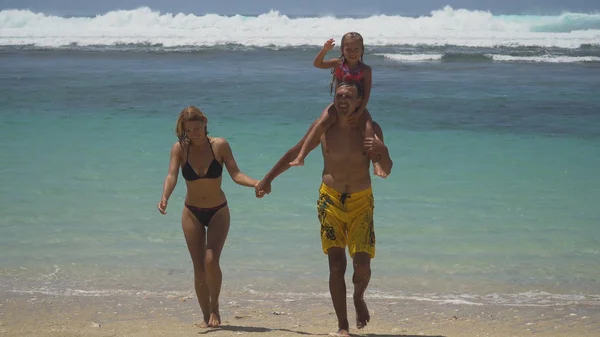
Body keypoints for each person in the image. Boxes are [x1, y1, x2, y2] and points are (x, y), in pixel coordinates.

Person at [256, 82, 393, 337]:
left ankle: (359, 297)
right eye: (339, 95)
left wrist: (382, 150)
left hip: (361, 201)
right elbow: (296, 152)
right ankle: (342, 325)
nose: (342, 100)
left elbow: (387, 166)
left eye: (348, 96)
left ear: (358, 100)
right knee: (336, 265)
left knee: (362, 266)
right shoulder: (323, 128)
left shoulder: (371, 130)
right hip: (329, 199)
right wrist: (268, 179)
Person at [157, 106, 259, 328]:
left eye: (197, 127)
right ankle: (205, 315)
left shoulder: (219, 146)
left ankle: (215, 307)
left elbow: (236, 174)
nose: (194, 133)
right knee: (198, 266)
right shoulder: (180, 149)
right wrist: (165, 196)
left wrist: (256, 183)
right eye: (189, 130)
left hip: (218, 211)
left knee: (211, 260)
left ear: (205, 122)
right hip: (191, 212)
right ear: (183, 129)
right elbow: (171, 175)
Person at [289, 32, 386, 178]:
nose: (352, 53)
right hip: (338, 106)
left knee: (368, 130)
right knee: (320, 124)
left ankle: (376, 164)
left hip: (358, 106)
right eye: (348, 49)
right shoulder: (338, 63)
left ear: (362, 50)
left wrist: (359, 113)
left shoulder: (366, 70)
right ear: (342, 50)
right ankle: (301, 157)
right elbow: (317, 64)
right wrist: (325, 50)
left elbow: (366, 94)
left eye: (356, 49)